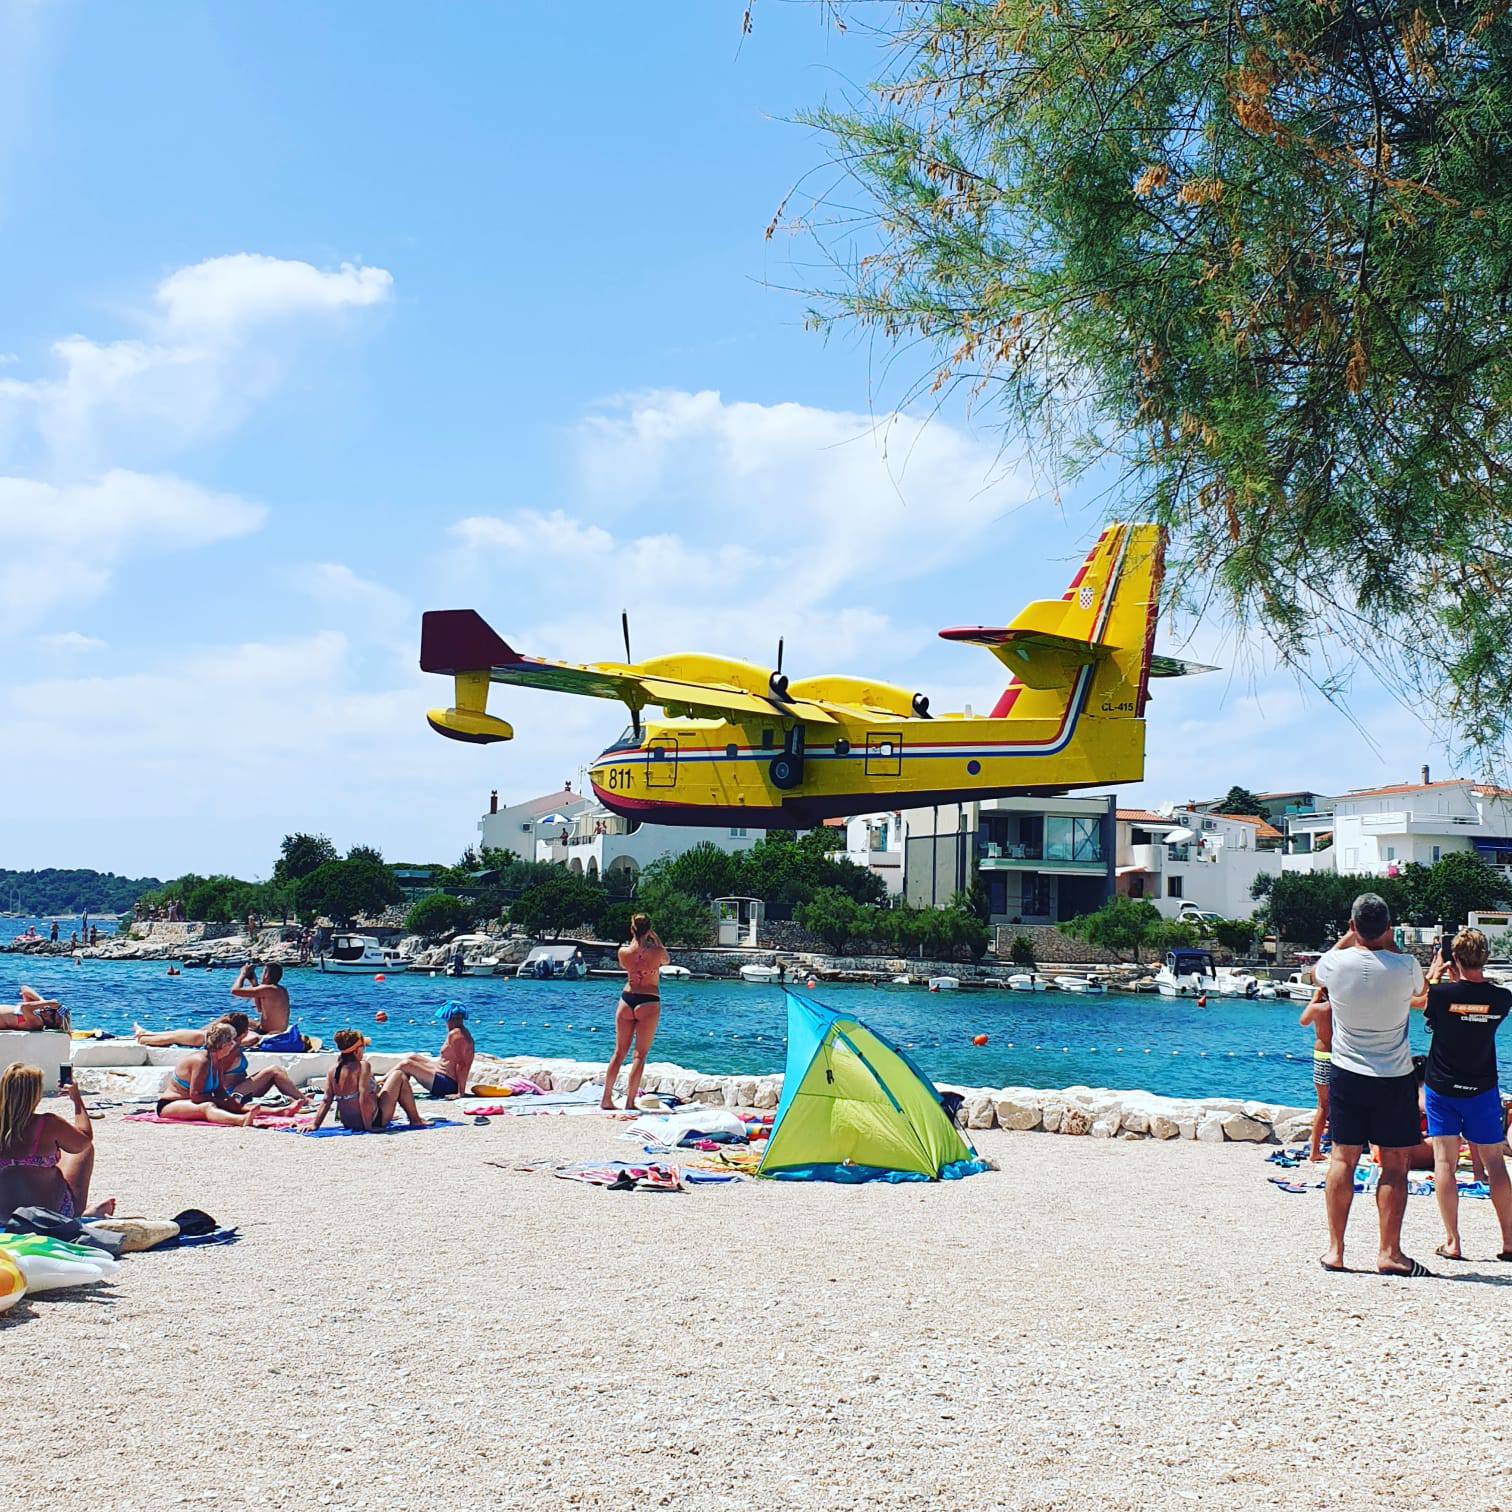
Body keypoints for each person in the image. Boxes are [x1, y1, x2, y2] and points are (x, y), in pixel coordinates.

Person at [1314, 893, 1430, 1277]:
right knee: (1395, 1166)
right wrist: (1388, 941)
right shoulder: (1406, 966)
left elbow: (1321, 968)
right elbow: (1421, 991)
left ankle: (1335, 1250)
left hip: (1347, 1073)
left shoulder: (1334, 964)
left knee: (1342, 1161)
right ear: (1389, 927)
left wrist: (1350, 937)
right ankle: (1389, 1252)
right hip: (1394, 1077)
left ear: (1352, 926)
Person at [1416, 927, 1512, 1262]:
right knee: (1495, 1164)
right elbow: (1476, 1004)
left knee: (1446, 1163)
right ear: (1485, 957)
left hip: (1443, 1086)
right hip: (1482, 1088)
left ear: (1454, 957)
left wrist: (1435, 972)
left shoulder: (1441, 996)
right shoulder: (1503, 999)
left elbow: (1417, 1001)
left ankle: (1453, 1241)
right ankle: (1509, 1241)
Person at [0, 1064, 114, 1223]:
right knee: (82, 1149)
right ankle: (79, 1215)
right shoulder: (47, 1123)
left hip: (4, 1218)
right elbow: (85, 1139)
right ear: (36, 1094)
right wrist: (76, 1099)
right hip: (51, 1217)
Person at [601, 913, 669, 1111]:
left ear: (632, 929)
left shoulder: (624, 952)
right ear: (648, 930)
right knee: (639, 1055)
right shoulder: (656, 952)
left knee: (619, 1052)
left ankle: (607, 1098)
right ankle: (629, 1102)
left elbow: (628, 963)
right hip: (648, 1000)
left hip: (627, 998)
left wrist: (636, 938)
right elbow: (666, 959)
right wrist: (655, 939)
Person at [311, 1029, 426, 1132]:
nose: (364, 1051)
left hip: (348, 1122)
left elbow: (326, 1100)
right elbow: (363, 1096)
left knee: (385, 1084)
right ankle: (415, 1120)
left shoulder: (333, 1070)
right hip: (372, 1120)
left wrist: (315, 1125)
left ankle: (414, 1119)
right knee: (399, 1075)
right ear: (356, 1051)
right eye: (363, 1048)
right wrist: (368, 1126)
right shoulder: (362, 1066)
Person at [155, 1024, 268, 1126]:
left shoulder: (217, 1061)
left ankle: (277, 1111)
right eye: (231, 1042)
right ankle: (240, 1120)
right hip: (171, 1104)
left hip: (191, 1102)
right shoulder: (201, 1061)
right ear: (224, 1045)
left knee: (232, 1104)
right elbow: (196, 1095)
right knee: (208, 1106)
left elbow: (219, 1090)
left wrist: (229, 1101)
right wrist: (220, 1101)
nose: (233, 1045)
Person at [395, 1004, 475, 1098]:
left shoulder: (456, 1035)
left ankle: (382, 1085)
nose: (446, 1023)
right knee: (412, 1057)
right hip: (442, 1075)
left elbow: (462, 1064)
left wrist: (460, 1093)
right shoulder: (461, 1032)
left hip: (446, 1084)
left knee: (406, 1064)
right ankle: (398, 1088)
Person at [1299, 984, 1332, 1162]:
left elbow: (1303, 1021)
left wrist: (1314, 999)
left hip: (1321, 1055)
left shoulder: (1319, 1008)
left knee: (1323, 1105)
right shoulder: (1343, 1009)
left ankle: (1314, 1151)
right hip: (1342, 1056)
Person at [230, 962, 299, 1045]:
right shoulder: (280, 989)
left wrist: (243, 974)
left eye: (263, 972)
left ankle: (235, 1043)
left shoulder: (269, 989)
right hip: (268, 1030)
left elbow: (235, 991)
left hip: (270, 1034)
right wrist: (254, 982)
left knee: (238, 1032)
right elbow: (259, 1009)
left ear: (266, 975)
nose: (261, 975)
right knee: (236, 1020)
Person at [135, 1010, 257, 1049]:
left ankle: (145, 1033)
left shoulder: (230, 1033)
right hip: (200, 1037)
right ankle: (143, 1035)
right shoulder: (236, 1037)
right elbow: (254, 1038)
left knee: (173, 1035)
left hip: (201, 1035)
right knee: (171, 1037)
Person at [0, 986, 68, 1032]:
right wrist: (41, 1000)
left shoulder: (37, 1023)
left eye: (52, 1014)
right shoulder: (36, 1013)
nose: (48, 1010)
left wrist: (47, 1003)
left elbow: (24, 1007)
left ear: (53, 1023)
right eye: (51, 1009)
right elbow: (24, 989)